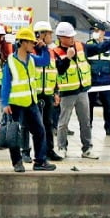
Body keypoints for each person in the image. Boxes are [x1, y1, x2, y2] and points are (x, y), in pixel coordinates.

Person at [0, 27, 56, 173]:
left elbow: (45, 61)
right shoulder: (11, 61)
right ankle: (17, 162)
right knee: (14, 135)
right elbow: (5, 83)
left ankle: (40, 161)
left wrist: (44, 48)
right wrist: (5, 103)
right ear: (23, 43)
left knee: (39, 131)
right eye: (31, 42)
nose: (33, 44)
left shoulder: (32, 59)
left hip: (31, 102)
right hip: (15, 104)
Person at [53, 22, 109, 159]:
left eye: (72, 36)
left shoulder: (80, 46)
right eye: (68, 37)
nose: (72, 39)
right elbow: (59, 70)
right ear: (61, 37)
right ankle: (62, 147)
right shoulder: (55, 52)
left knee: (85, 121)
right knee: (63, 123)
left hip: (82, 91)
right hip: (67, 93)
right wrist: (68, 58)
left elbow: (98, 48)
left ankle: (87, 148)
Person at [29, 21, 63, 162]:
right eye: (48, 33)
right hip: (34, 95)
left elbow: (54, 72)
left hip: (48, 93)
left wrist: (56, 92)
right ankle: (36, 154)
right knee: (35, 126)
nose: (51, 36)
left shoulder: (51, 52)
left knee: (48, 124)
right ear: (40, 35)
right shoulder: (30, 52)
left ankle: (49, 151)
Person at [87, 26, 110, 136]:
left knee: (107, 105)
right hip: (92, 80)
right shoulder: (89, 44)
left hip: (105, 80)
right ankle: (88, 125)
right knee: (89, 105)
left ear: (103, 32)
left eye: (97, 30)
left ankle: (109, 127)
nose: (95, 33)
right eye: (93, 31)